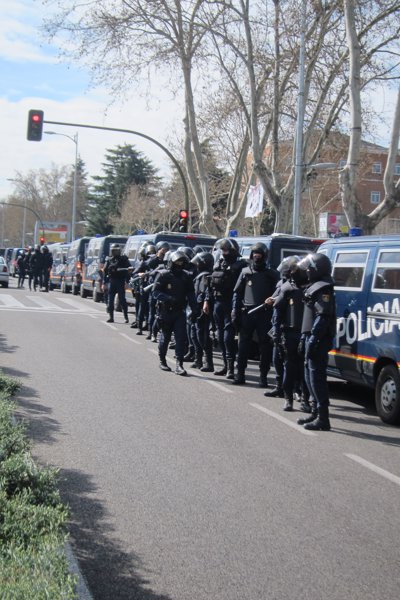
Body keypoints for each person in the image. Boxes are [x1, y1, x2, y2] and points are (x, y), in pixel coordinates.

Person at [290, 252, 336, 431]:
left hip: (318, 340)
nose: (307, 272)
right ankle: (315, 412)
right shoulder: (314, 286)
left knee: (317, 378)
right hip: (310, 336)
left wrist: (313, 339)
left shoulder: (324, 289)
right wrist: (304, 337)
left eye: (309, 269)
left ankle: (323, 418)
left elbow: (322, 317)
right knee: (309, 377)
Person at [231, 242, 279, 386]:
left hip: (264, 314)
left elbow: (278, 294)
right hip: (247, 313)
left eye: (259, 254)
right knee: (243, 345)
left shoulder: (272, 274)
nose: (256, 257)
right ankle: (240, 374)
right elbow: (237, 293)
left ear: (264, 256)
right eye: (254, 254)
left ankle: (263, 377)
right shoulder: (246, 272)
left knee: (265, 346)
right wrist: (235, 310)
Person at [266, 255, 306, 411]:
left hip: (305, 333)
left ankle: (305, 399)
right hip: (289, 333)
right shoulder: (287, 288)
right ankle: (288, 398)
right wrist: (276, 333)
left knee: (304, 369)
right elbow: (278, 311)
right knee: (288, 367)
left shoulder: (310, 287)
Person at [204, 238, 247, 379]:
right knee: (219, 335)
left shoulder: (241, 265)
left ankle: (231, 368)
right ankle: (224, 365)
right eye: (222, 250)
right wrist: (206, 300)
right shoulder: (219, 263)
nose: (224, 252)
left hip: (231, 303)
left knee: (228, 336)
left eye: (226, 250)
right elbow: (209, 284)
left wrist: (238, 306)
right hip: (217, 302)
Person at [153, 250, 197, 376]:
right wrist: (168, 298)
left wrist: (194, 309)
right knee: (165, 338)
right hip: (165, 311)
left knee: (180, 338)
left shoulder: (186, 276)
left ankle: (179, 364)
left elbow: (191, 294)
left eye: (182, 262)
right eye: (177, 262)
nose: (179, 264)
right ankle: (162, 360)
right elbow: (155, 292)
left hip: (180, 312)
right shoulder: (163, 275)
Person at [190, 251, 215, 372]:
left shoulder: (206, 276)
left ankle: (208, 363)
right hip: (196, 308)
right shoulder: (200, 275)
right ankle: (197, 359)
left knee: (203, 336)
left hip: (202, 309)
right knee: (194, 334)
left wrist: (205, 302)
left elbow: (207, 292)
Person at [103, 244, 132, 323]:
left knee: (122, 300)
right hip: (112, 281)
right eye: (113, 251)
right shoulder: (109, 260)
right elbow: (105, 271)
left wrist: (127, 281)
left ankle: (126, 317)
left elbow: (129, 270)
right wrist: (104, 282)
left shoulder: (124, 259)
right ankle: (111, 317)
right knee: (110, 300)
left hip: (120, 281)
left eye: (116, 251)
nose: (115, 252)